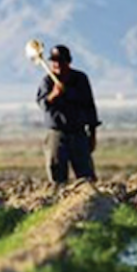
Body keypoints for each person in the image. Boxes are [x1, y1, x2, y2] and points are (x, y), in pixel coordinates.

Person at [36, 44, 101, 184]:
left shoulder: (80, 79)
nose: (57, 64)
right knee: (57, 175)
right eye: (54, 61)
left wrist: (92, 133)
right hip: (57, 134)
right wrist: (53, 94)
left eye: (61, 60)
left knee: (86, 175)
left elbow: (89, 106)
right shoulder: (47, 81)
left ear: (68, 61)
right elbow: (43, 104)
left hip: (78, 133)